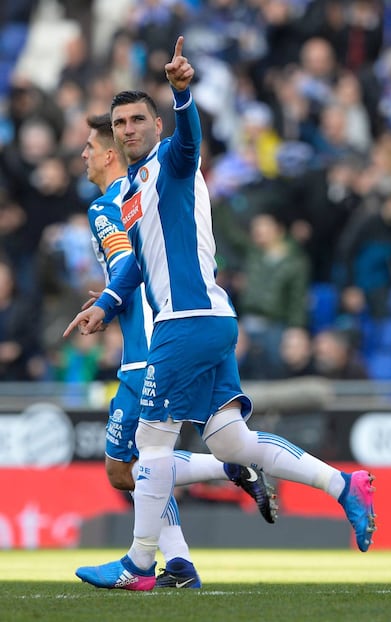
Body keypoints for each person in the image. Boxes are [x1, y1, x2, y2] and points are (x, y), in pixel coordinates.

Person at [64, 36, 377, 592]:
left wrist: (183, 97)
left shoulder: (170, 161)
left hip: (183, 324)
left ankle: (141, 563)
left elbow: (189, 144)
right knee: (232, 444)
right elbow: (137, 263)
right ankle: (344, 486)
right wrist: (107, 306)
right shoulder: (134, 188)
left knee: (152, 446)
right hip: (208, 321)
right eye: (121, 123)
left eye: (139, 119)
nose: (129, 129)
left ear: (155, 126)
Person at [76, 111, 277, 589]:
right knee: (134, 463)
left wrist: (109, 298)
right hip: (164, 334)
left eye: (89, 146)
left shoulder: (108, 207)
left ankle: (156, 556)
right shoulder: (139, 193)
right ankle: (180, 562)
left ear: (108, 154)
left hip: (149, 346)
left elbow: (131, 264)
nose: (82, 154)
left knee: (130, 464)